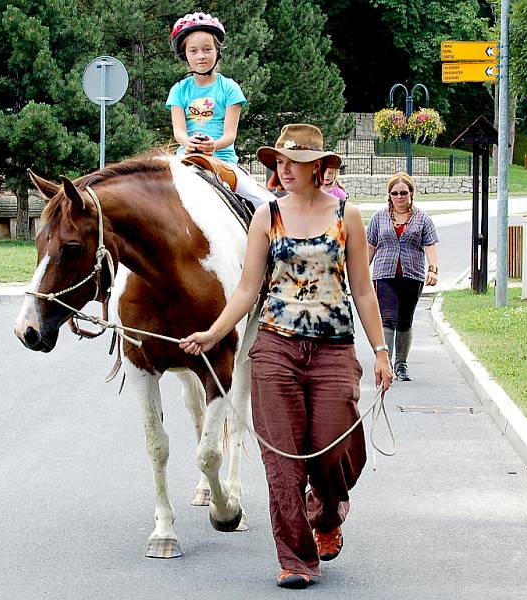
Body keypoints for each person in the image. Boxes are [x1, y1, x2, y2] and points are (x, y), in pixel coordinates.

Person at [179, 123, 393, 589]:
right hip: (275, 348)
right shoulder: (267, 217)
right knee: (282, 460)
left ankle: (328, 509)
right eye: (278, 161)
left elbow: (363, 289)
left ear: (318, 167)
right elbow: (246, 289)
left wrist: (380, 350)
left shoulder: (347, 216)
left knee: (336, 447)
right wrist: (215, 332)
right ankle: (296, 558)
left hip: (333, 349)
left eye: (291, 162)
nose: (282, 169)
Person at [166, 12, 271, 208]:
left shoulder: (230, 88)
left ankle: (278, 234)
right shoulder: (179, 90)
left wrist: (213, 146)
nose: (201, 56)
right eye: (193, 51)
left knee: (267, 202)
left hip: (223, 161)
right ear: (185, 55)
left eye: (207, 49)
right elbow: (178, 130)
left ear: (217, 51)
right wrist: (188, 142)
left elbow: (230, 134)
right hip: (185, 157)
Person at [367, 172, 439, 382]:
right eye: (395, 193)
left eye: (403, 193)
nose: (399, 197)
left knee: (405, 321)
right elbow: (370, 246)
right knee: (388, 318)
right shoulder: (379, 218)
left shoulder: (422, 218)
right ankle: (386, 363)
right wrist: (361, 272)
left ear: (411, 194)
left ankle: (401, 365)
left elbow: (430, 244)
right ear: (389, 195)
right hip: (384, 274)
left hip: (412, 275)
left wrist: (433, 269)